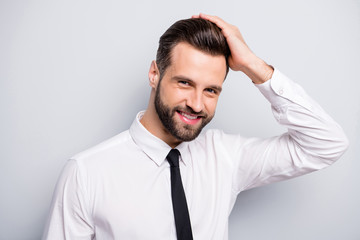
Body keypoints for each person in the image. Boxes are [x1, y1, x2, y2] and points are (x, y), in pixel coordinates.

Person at [42, 13, 349, 240]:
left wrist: (255, 66)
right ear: (154, 74)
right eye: (185, 83)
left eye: (211, 90)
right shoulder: (87, 173)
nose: (197, 104)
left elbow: (327, 143)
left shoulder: (226, 157)